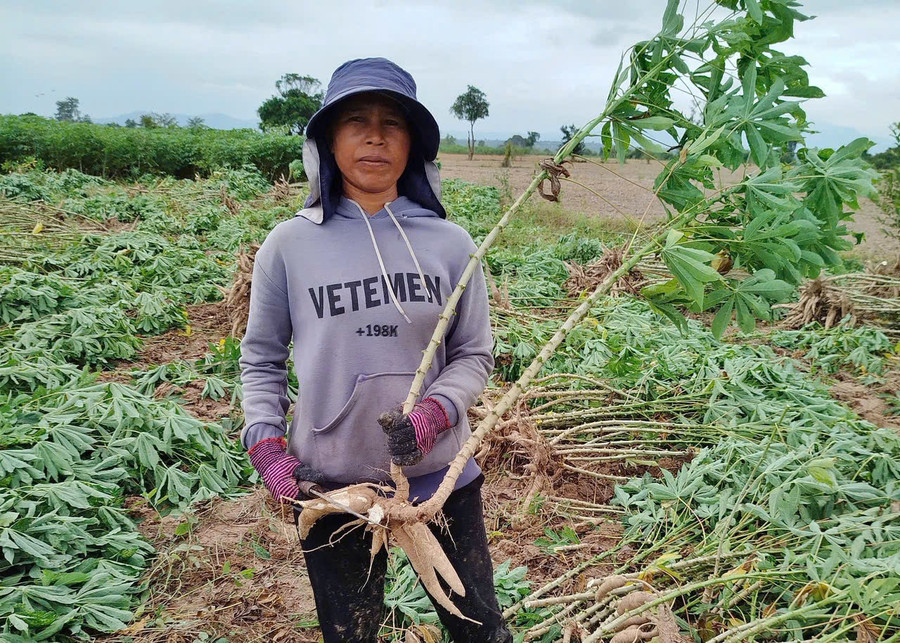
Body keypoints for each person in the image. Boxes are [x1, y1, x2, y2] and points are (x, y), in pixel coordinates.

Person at [239, 57, 513, 643]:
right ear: (327, 141)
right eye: (356, 121)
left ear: (411, 144)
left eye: (393, 122)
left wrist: (438, 411)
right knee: (351, 632)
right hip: (330, 484)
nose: (375, 135)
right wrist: (264, 440)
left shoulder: (450, 244)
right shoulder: (289, 245)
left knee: (478, 628)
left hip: (439, 474)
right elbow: (261, 357)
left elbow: (474, 353)